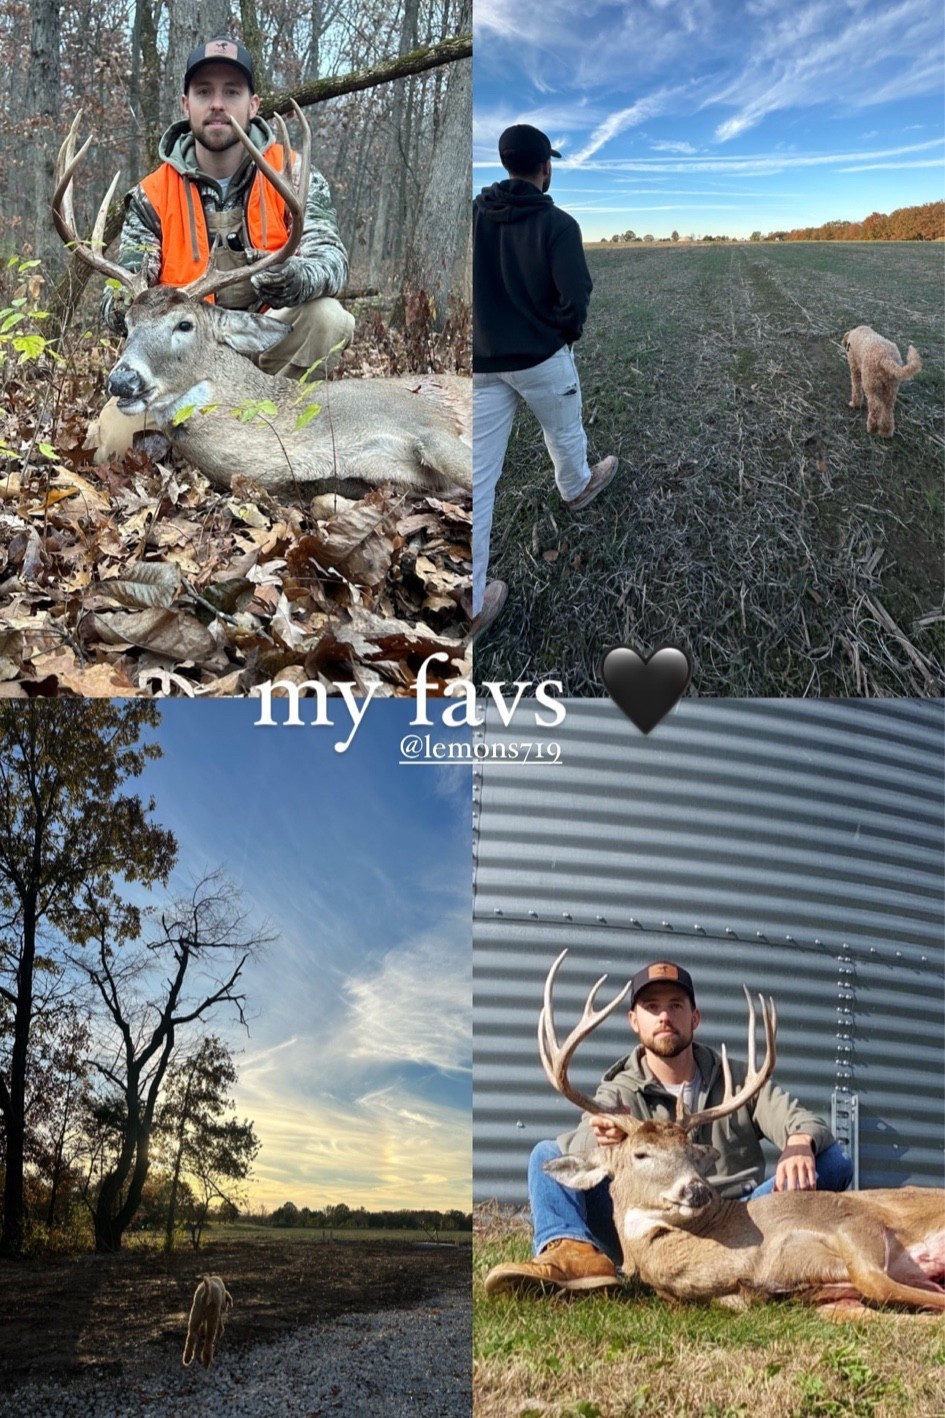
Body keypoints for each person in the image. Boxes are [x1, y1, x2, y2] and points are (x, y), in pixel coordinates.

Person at [484, 959, 854, 1297]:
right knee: (545, 1155)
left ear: (694, 1018)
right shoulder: (620, 1088)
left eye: (675, 1006)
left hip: (736, 1217)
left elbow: (802, 1120)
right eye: (652, 1007)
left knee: (834, 1161)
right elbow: (580, 1146)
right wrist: (602, 1134)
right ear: (634, 1021)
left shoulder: (739, 1079)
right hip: (652, 1226)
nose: (664, 1016)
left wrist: (800, 1143)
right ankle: (572, 1255)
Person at [100, 35, 354, 381]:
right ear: (186, 104)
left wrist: (293, 278)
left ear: (253, 105)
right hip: (186, 357)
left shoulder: (292, 175)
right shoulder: (153, 195)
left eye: (232, 92)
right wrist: (125, 299)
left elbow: (332, 262)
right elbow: (122, 285)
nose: (217, 104)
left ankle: (284, 425)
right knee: (116, 436)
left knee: (327, 318)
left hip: (270, 342)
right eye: (204, 92)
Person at [471, 123, 618, 636]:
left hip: (481, 363)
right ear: (544, 167)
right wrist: (562, 333)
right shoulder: (559, 224)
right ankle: (576, 488)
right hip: (541, 358)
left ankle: (469, 603)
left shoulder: (473, 215)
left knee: (479, 481)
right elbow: (575, 296)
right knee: (564, 432)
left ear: (506, 164)